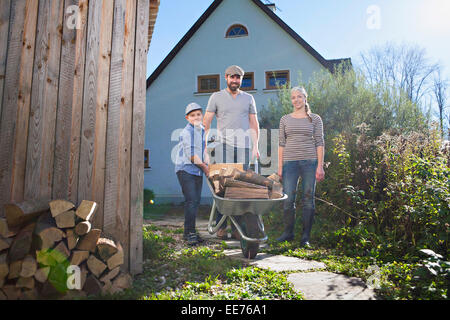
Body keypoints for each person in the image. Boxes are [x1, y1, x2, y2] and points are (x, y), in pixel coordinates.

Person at [203, 65, 260, 240]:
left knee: (240, 189)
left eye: (238, 77)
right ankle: (221, 227)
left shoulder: (249, 98)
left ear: (241, 80)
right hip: (222, 146)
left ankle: (237, 228)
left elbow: (254, 123)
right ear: (226, 78)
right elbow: (206, 122)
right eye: (232, 77)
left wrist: (256, 146)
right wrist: (204, 146)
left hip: (243, 148)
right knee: (222, 187)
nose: (235, 80)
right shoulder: (216, 97)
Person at [276, 87, 325, 247]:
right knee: (288, 198)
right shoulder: (285, 119)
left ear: (305, 98)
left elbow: (320, 143)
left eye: (299, 96)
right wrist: (280, 167)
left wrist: (320, 166)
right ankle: (288, 233)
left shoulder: (315, 119)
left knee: (308, 199)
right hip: (290, 163)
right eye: (293, 97)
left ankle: (305, 237)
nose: (296, 100)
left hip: (310, 163)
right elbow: (281, 144)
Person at [175, 103, 209, 246]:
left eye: (198, 114)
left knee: (196, 201)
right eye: (192, 115)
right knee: (191, 200)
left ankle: (189, 231)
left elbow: (204, 150)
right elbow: (191, 155)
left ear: (202, 116)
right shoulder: (186, 132)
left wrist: (208, 164)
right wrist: (205, 168)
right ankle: (190, 233)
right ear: (187, 118)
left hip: (197, 170)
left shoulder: (202, 130)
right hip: (185, 170)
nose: (196, 117)